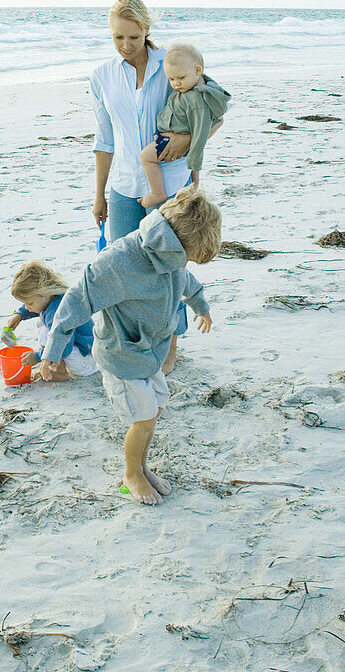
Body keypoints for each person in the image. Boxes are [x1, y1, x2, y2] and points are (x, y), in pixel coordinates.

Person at [41, 186, 222, 505]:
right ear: (176, 246)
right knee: (143, 419)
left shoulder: (171, 258)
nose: (187, 264)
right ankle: (131, 474)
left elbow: (186, 281)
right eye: (188, 258)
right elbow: (76, 301)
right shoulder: (120, 262)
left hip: (149, 355)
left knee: (155, 409)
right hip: (121, 357)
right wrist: (52, 353)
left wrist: (201, 306)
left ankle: (141, 465)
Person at [91, 0, 209, 374]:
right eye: (118, 38)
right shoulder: (102, 75)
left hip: (171, 185)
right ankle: (133, 344)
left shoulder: (173, 63)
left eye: (133, 37)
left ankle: (171, 347)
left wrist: (189, 142)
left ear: (147, 31)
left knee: (168, 270)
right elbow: (104, 139)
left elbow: (215, 110)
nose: (126, 45)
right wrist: (100, 196)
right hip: (124, 187)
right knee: (122, 269)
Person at [139, 41, 230, 209]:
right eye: (171, 79)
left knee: (146, 157)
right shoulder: (191, 89)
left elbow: (200, 133)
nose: (176, 84)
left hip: (173, 142)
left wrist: (195, 161)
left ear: (197, 70)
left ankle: (157, 192)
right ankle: (194, 184)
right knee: (192, 172)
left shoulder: (196, 101)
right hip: (180, 140)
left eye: (180, 78)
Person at [5, 260, 99, 383]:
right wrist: (20, 314)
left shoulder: (57, 312)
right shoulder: (52, 298)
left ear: (44, 293)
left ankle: (58, 373)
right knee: (44, 327)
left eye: (30, 303)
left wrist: (39, 357)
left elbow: (64, 347)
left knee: (46, 332)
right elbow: (37, 307)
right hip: (85, 351)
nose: (27, 307)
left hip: (86, 362)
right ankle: (54, 365)